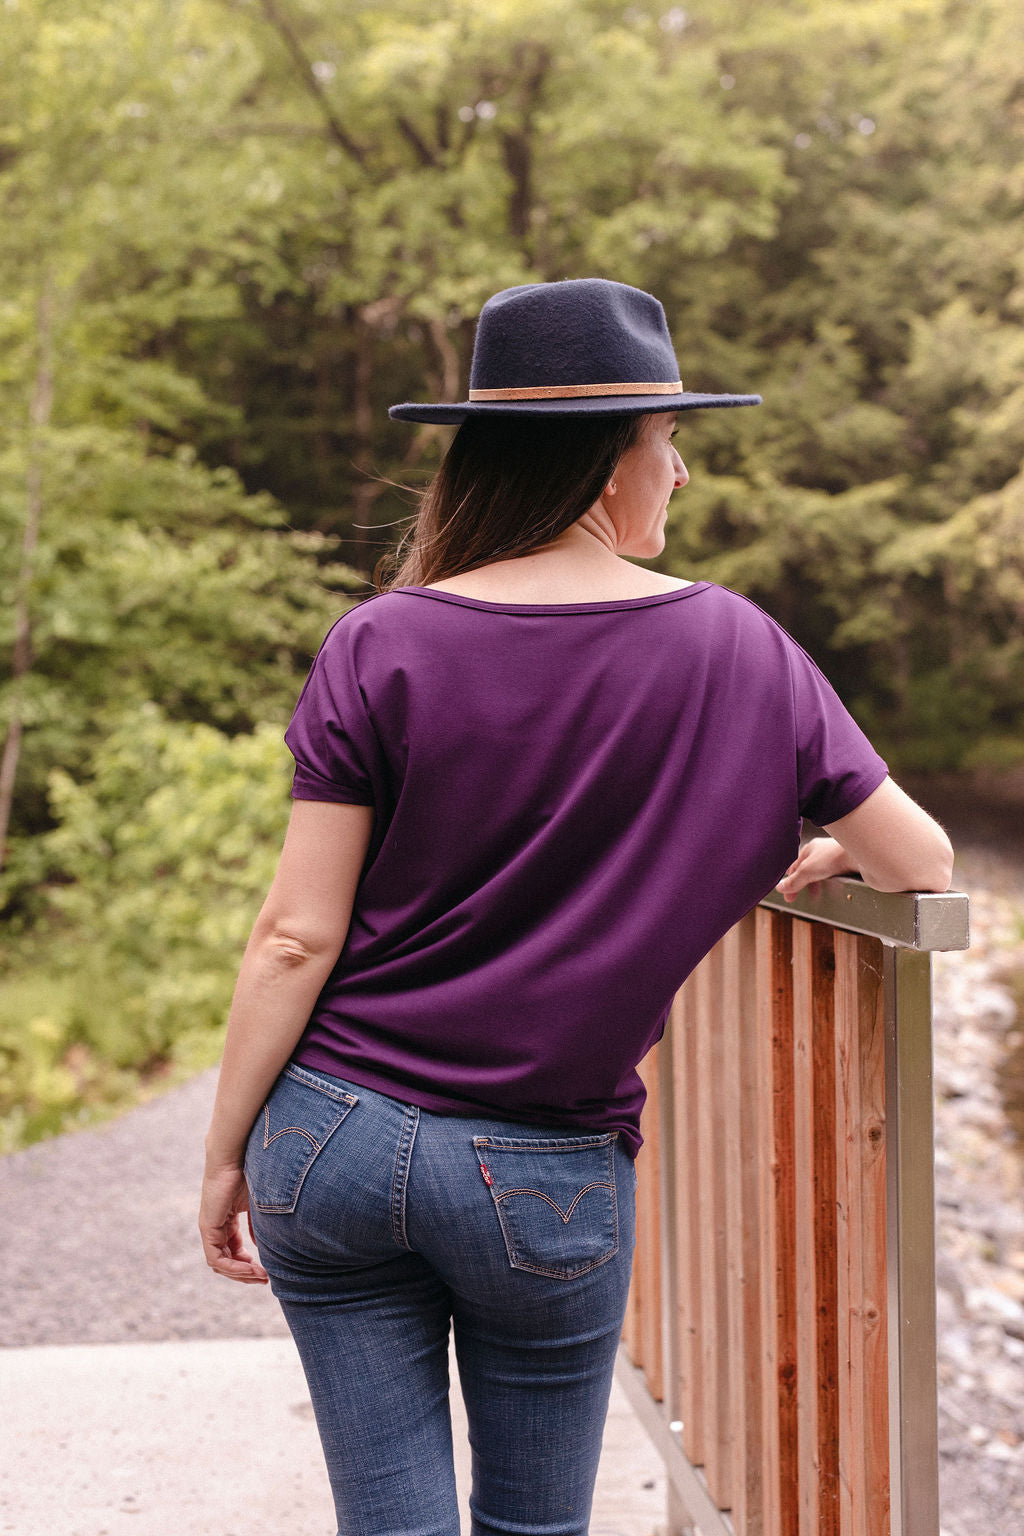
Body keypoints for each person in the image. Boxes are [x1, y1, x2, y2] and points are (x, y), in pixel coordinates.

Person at [198, 278, 953, 1536]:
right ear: (608, 461)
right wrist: (830, 847)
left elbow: (294, 936)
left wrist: (227, 1151)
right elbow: (922, 862)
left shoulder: (378, 642)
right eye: (670, 441)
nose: (682, 473)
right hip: (541, 1167)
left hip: (329, 1135)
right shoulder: (741, 650)